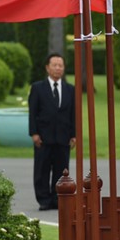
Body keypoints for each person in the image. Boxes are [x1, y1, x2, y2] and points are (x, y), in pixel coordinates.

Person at [28, 53, 76, 210]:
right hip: (43, 137)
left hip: (63, 138)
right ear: (47, 68)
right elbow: (32, 113)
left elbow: (73, 114)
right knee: (41, 170)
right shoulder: (37, 88)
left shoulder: (70, 90)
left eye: (60, 65)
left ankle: (57, 199)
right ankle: (43, 200)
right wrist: (34, 133)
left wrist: (74, 135)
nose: (57, 68)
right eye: (54, 65)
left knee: (61, 170)